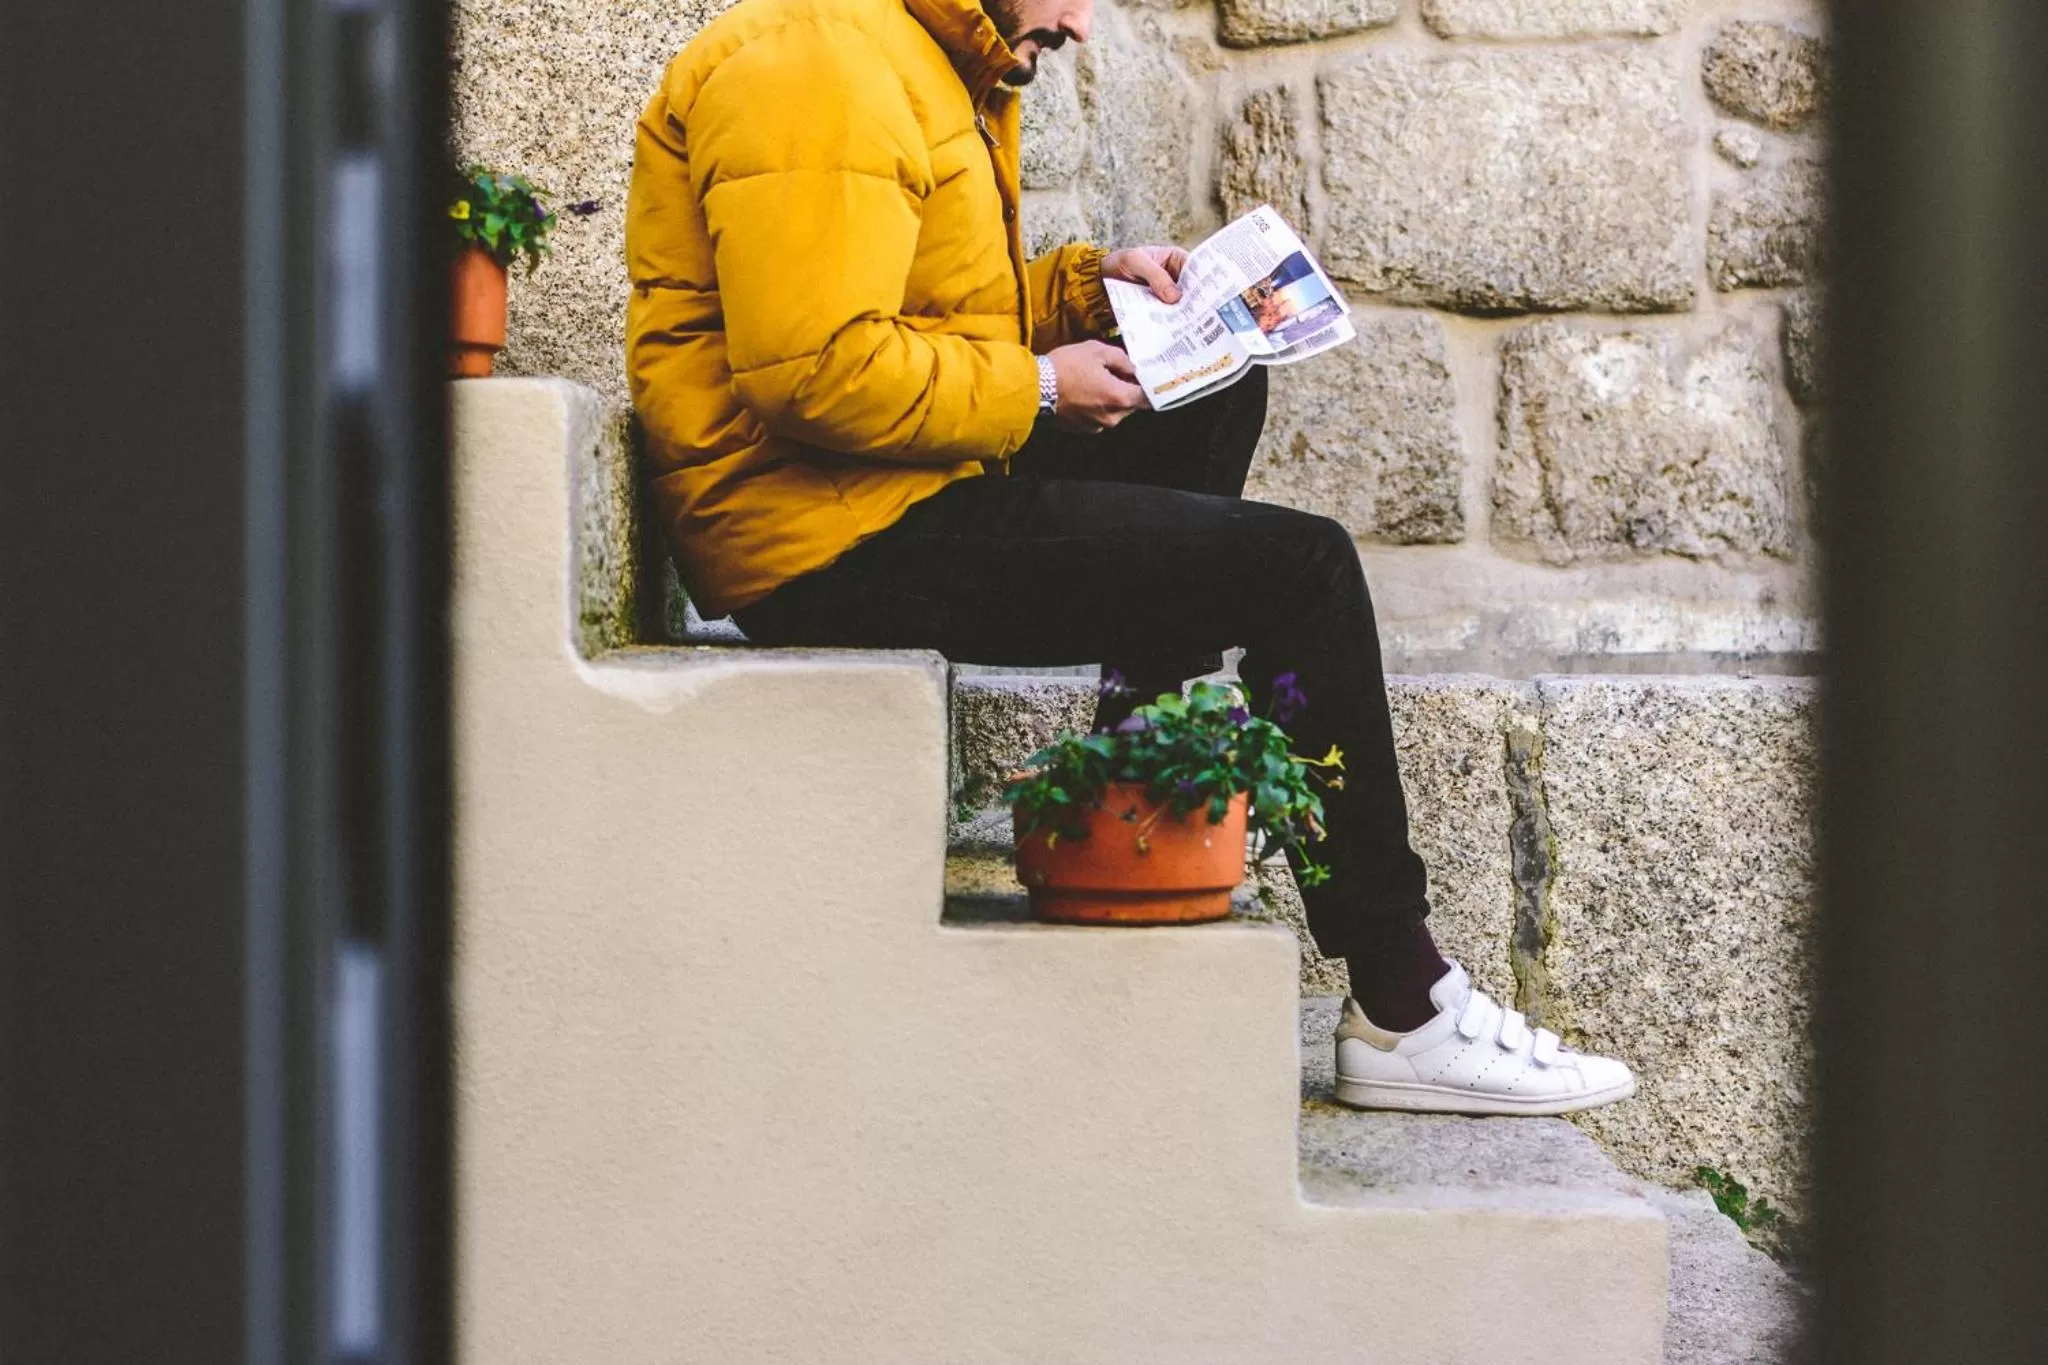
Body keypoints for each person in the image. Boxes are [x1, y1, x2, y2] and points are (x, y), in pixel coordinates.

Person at [624, 0, 1636, 1115]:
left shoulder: (908, 54)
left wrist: (1084, 287)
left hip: (889, 492)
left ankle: (1124, 800)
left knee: (1211, 385)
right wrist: (1045, 388)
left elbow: (921, 304)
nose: (1083, 22)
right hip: (819, 541)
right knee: (1297, 568)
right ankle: (1401, 1003)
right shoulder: (816, 63)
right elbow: (814, 367)